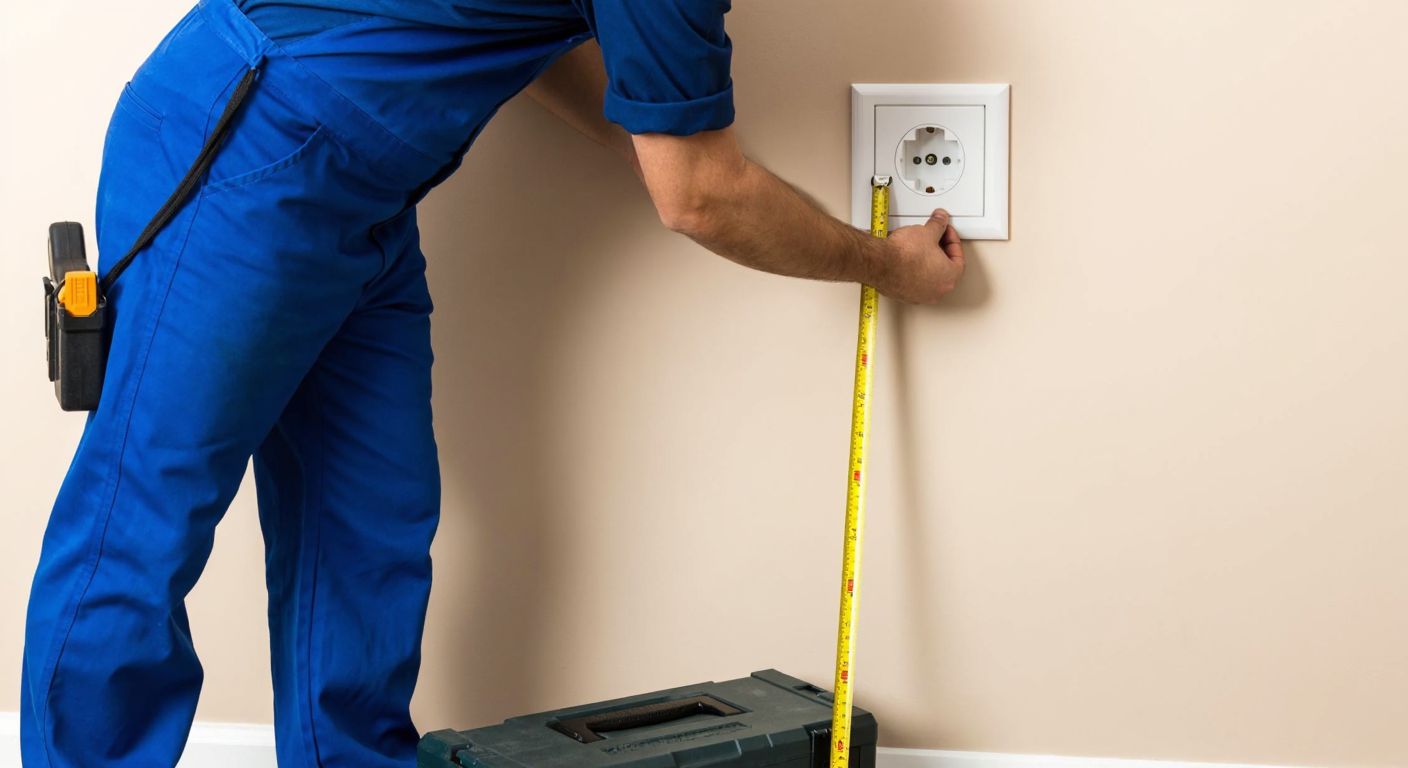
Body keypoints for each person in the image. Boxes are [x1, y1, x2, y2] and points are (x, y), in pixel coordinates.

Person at [20, 0, 966, 765]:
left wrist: (653, 105)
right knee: (139, 524)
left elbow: (554, 54)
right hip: (253, 142)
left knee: (369, 529)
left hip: (370, 190)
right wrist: (887, 264)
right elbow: (698, 194)